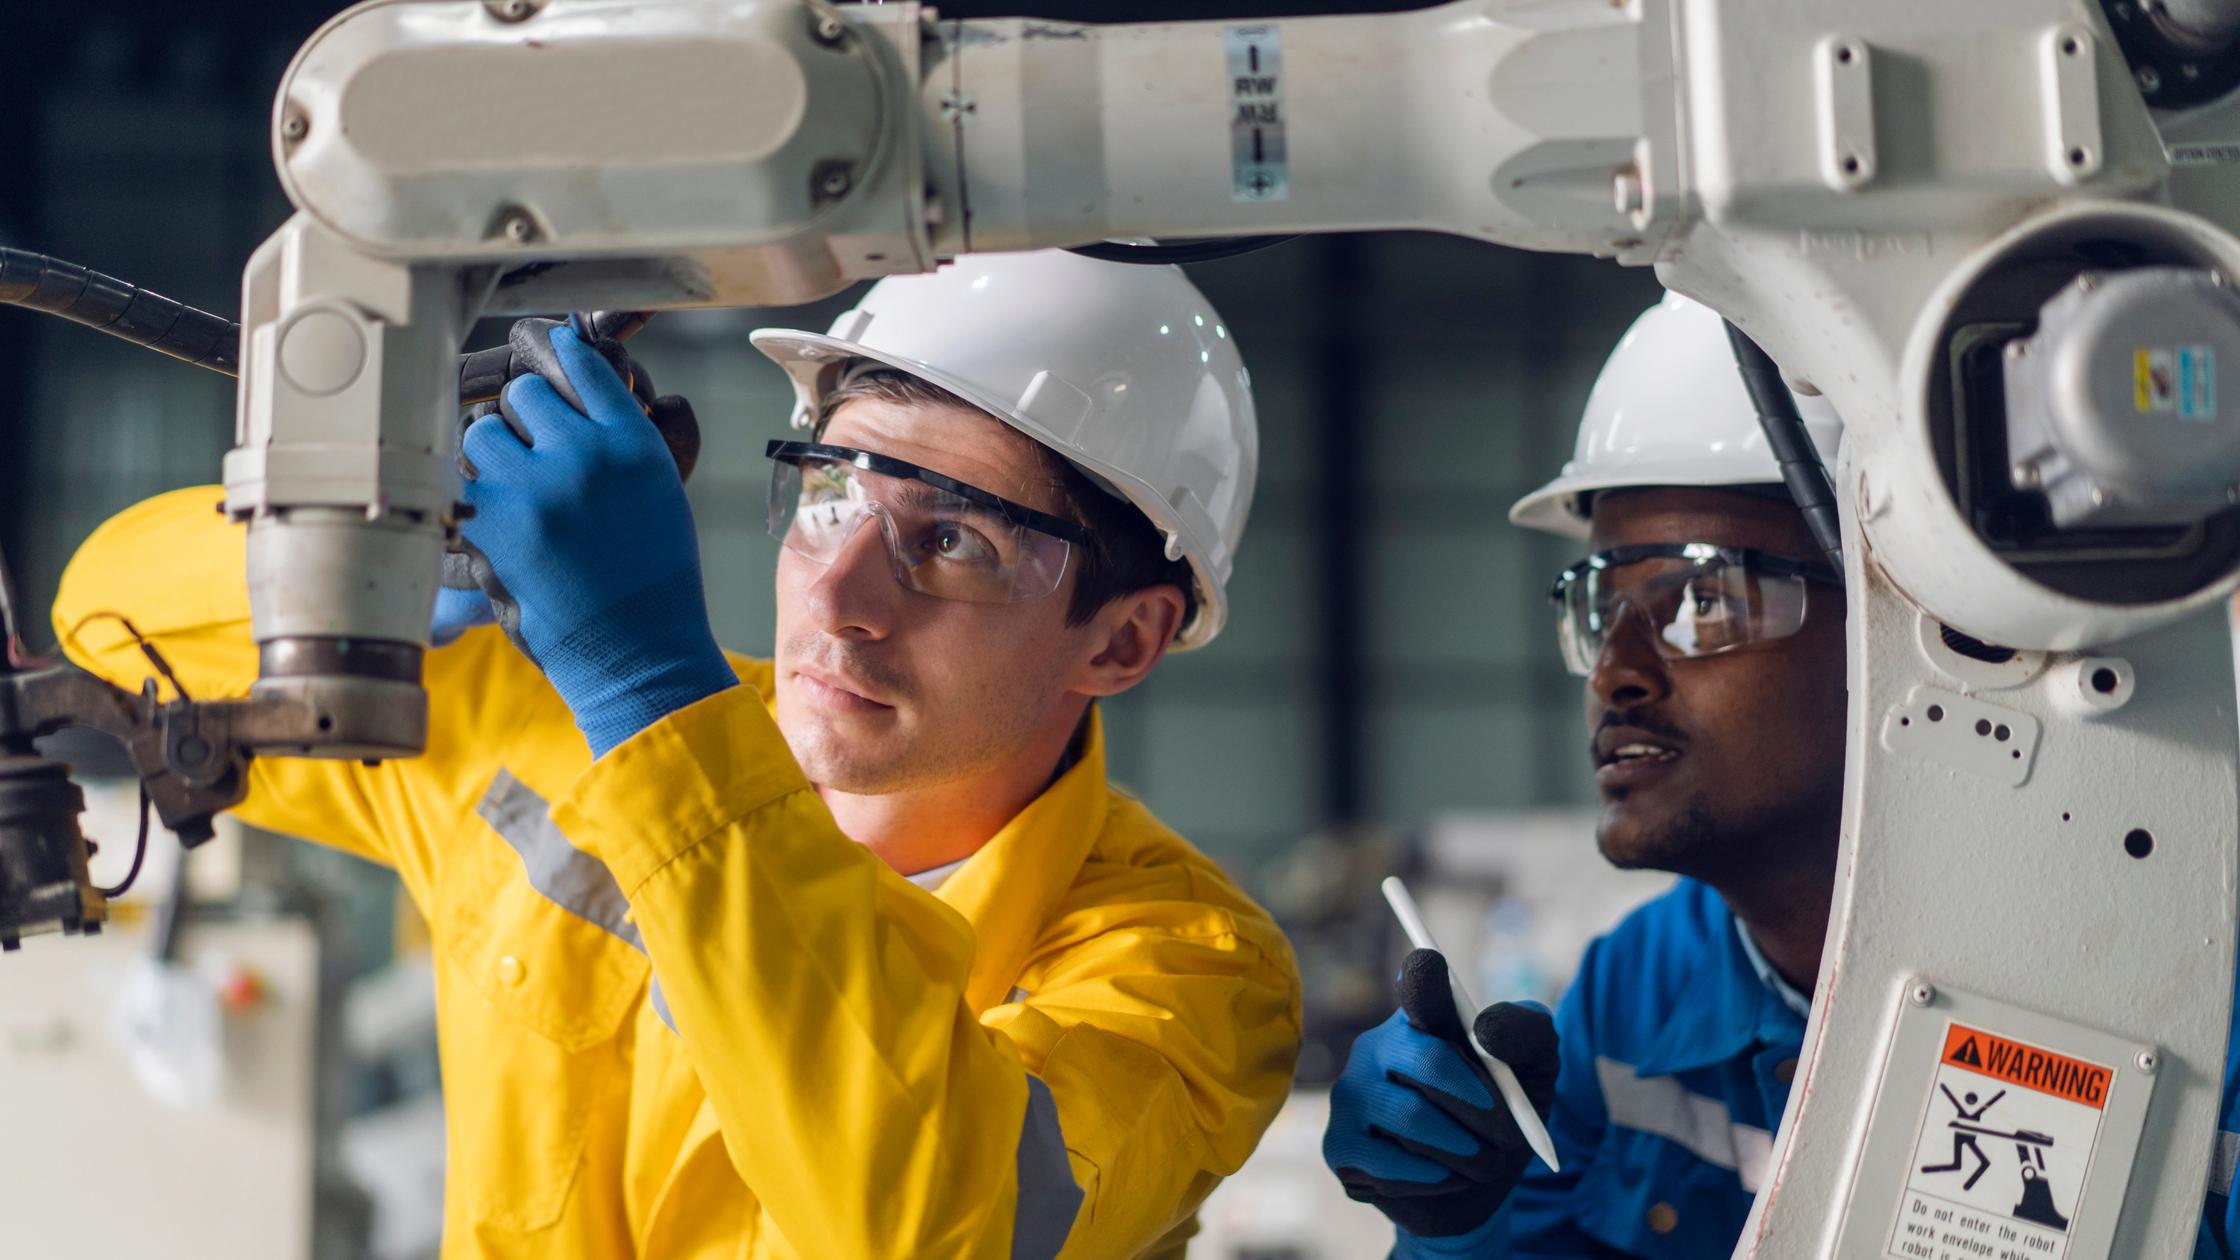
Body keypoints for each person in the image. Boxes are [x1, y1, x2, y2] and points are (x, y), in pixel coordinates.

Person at [54, 249, 1301, 1258]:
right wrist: (397, 547)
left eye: (955, 541)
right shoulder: (545, 724)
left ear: (1123, 640)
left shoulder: (1191, 976)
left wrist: (651, 697)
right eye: (829, 493)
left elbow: (925, 1227)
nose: (840, 597)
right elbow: (109, 623)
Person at [1322, 290, 2240, 1259]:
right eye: (1598, 606)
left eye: (1703, 599)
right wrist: (1459, 1226)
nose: (1613, 673)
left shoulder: (2195, 996)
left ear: (1927, 632)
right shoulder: (1643, 984)